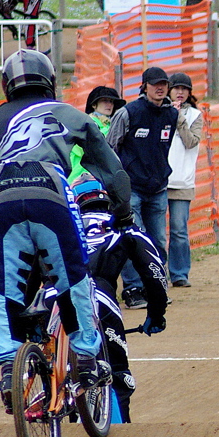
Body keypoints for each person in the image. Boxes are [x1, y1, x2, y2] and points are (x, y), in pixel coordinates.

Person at [0, 49, 133, 413]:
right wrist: (123, 211)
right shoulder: (68, 113)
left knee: (0, 287)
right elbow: (112, 170)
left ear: (6, 85)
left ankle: (7, 364)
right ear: (50, 82)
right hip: (51, 195)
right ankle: (83, 356)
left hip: (2, 201)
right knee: (73, 277)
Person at [71, 173, 168, 422]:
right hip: (98, 298)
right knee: (117, 374)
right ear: (108, 201)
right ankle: (120, 436)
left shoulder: (60, 226)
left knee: (60, 375)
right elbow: (155, 274)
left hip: (53, 299)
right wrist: (156, 316)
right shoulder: (124, 227)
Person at [107, 67, 178, 309]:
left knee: (158, 239)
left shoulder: (172, 115)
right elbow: (110, 147)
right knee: (132, 239)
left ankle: (155, 286)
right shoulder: (128, 113)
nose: (160, 88)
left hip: (158, 187)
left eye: (164, 84)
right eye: (155, 84)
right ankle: (133, 288)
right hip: (132, 189)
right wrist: (117, 182)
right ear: (144, 86)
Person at [167, 72, 203, 288]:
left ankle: (179, 273)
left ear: (189, 93)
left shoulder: (195, 116)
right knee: (156, 233)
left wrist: (178, 118)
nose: (180, 92)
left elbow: (191, 142)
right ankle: (156, 274)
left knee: (179, 229)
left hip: (182, 181)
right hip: (159, 180)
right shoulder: (159, 111)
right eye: (176, 88)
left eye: (184, 89)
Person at [68, 86, 126, 185]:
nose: (109, 105)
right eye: (105, 101)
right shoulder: (85, 123)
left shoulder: (114, 124)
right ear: (94, 105)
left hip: (105, 177)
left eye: (111, 101)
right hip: (83, 176)